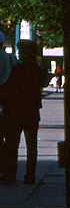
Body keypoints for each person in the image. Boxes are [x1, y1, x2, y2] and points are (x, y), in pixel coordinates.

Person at [1, 41, 49, 185]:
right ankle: (30, 175)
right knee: (32, 145)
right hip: (32, 110)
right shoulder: (38, 70)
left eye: (21, 51)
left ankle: (10, 175)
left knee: (13, 144)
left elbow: (9, 86)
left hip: (16, 111)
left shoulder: (18, 69)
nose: (19, 54)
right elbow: (44, 82)